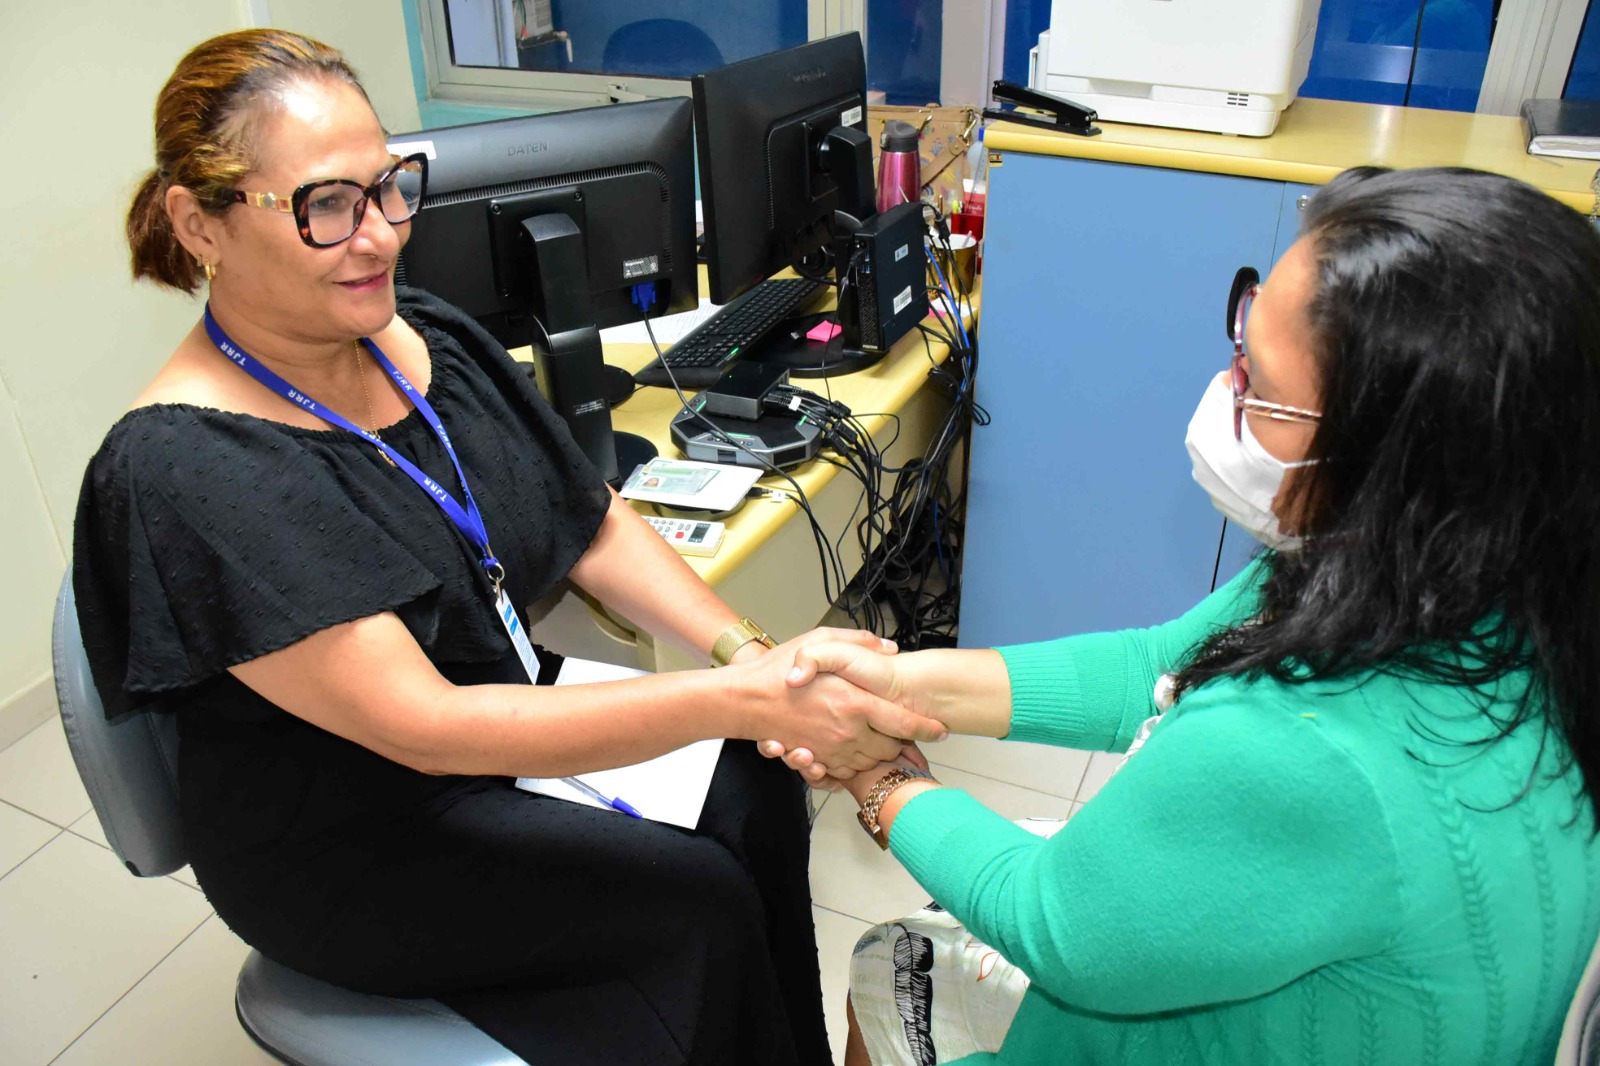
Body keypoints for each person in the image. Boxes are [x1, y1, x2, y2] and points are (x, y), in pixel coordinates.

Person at [76, 29, 946, 1064]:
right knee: (692, 905)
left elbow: (590, 518)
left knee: (754, 784)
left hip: (489, 713)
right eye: (325, 207)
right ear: (198, 224)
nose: (379, 237)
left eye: (390, 186)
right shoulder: (187, 466)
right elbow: (428, 727)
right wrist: (752, 698)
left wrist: (750, 658)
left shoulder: (419, 335)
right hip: (346, 827)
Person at [769, 167, 1600, 1064]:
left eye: (1262, 386)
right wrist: (896, 683)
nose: (1225, 388)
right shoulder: (1467, 576)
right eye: (1242, 335)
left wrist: (881, 782)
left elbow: (1057, 926)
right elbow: (1154, 666)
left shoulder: (1310, 750)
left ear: (1397, 462)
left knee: (888, 964)